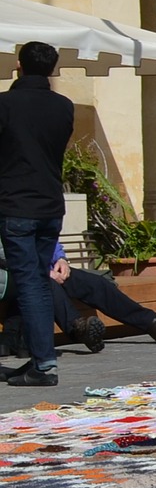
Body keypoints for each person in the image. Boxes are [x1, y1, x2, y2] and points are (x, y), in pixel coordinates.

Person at [0, 41, 74, 386]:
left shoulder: (6, 104)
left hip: (17, 204)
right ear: (53, 69)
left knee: (29, 283)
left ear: (19, 65)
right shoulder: (63, 106)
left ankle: (44, 365)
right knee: (39, 283)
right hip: (49, 205)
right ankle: (39, 359)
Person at [18, 243, 156, 353]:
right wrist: (43, 272)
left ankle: (153, 323)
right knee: (49, 286)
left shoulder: (34, 211)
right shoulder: (11, 213)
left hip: (49, 269)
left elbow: (51, 239)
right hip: (22, 275)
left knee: (96, 283)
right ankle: (79, 330)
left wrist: (61, 259)